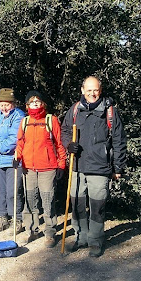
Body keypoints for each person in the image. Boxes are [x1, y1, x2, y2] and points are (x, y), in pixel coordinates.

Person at [61, 76, 127, 257]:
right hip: (77, 166)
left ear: (100, 90)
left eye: (95, 90)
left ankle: (95, 241)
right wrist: (69, 144)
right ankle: (80, 237)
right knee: (77, 204)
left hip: (100, 167)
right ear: (82, 90)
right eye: (88, 90)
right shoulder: (75, 110)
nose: (92, 93)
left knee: (97, 206)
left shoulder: (109, 111)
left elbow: (119, 140)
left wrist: (118, 167)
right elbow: (65, 130)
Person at [15, 90, 66, 248]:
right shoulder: (24, 122)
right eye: (32, 102)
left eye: (38, 101)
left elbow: (59, 143)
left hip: (48, 167)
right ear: (27, 105)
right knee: (30, 200)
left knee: (47, 199)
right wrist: (17, 156)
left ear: (43, 103)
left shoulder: (51, 120)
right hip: (28, 167)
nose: (35, 104)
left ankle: (50, 232)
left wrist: (61, 163)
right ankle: (32, 230)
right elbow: (20, 143)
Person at [0, 88, 25, 234]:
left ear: (13, 104)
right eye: (2, 104)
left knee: (13, 192)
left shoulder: (19, 117)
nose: (4, 107)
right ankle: (2, 218)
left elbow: (15, 139)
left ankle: (16, 219)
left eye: (7, 104)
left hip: (13, 160)